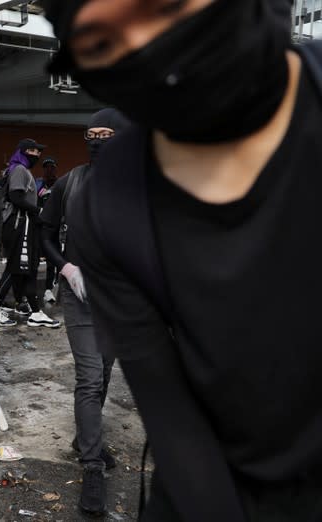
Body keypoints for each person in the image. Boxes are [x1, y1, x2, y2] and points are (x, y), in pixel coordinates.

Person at [44, 1, 322, 520]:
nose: (147, 52)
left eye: (165, 6)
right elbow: (172, 413)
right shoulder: (112, 201)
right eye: (102, 45)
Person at [40, 109, 128, 515]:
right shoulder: (71, 181)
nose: (96, 140)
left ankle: (85, 437)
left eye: (105, 134)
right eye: (90, 134)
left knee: (105, 372)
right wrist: (66, 266)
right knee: (90, 377)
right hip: (78, 294)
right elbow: (45, 232)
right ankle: (92, 467)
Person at [0, 139, 60, 329]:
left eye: (38, 152)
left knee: (27, 270)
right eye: (33, 151)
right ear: (23, 152)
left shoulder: (20, 169)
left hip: (23, 224)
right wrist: (37, 211)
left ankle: (35, 312)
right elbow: (16, 196)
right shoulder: (19, 169)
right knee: (15, 268)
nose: (37, 155)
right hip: (19, 224)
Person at [37, 157, 58, 303]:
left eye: (51, 167)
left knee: (52, 260)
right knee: (33, 260)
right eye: (46, 167)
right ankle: (27, 292)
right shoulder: (39, 184)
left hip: (53, 227)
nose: (49, 169)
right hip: (39, 225)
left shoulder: (59, 184)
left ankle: (48, 289)